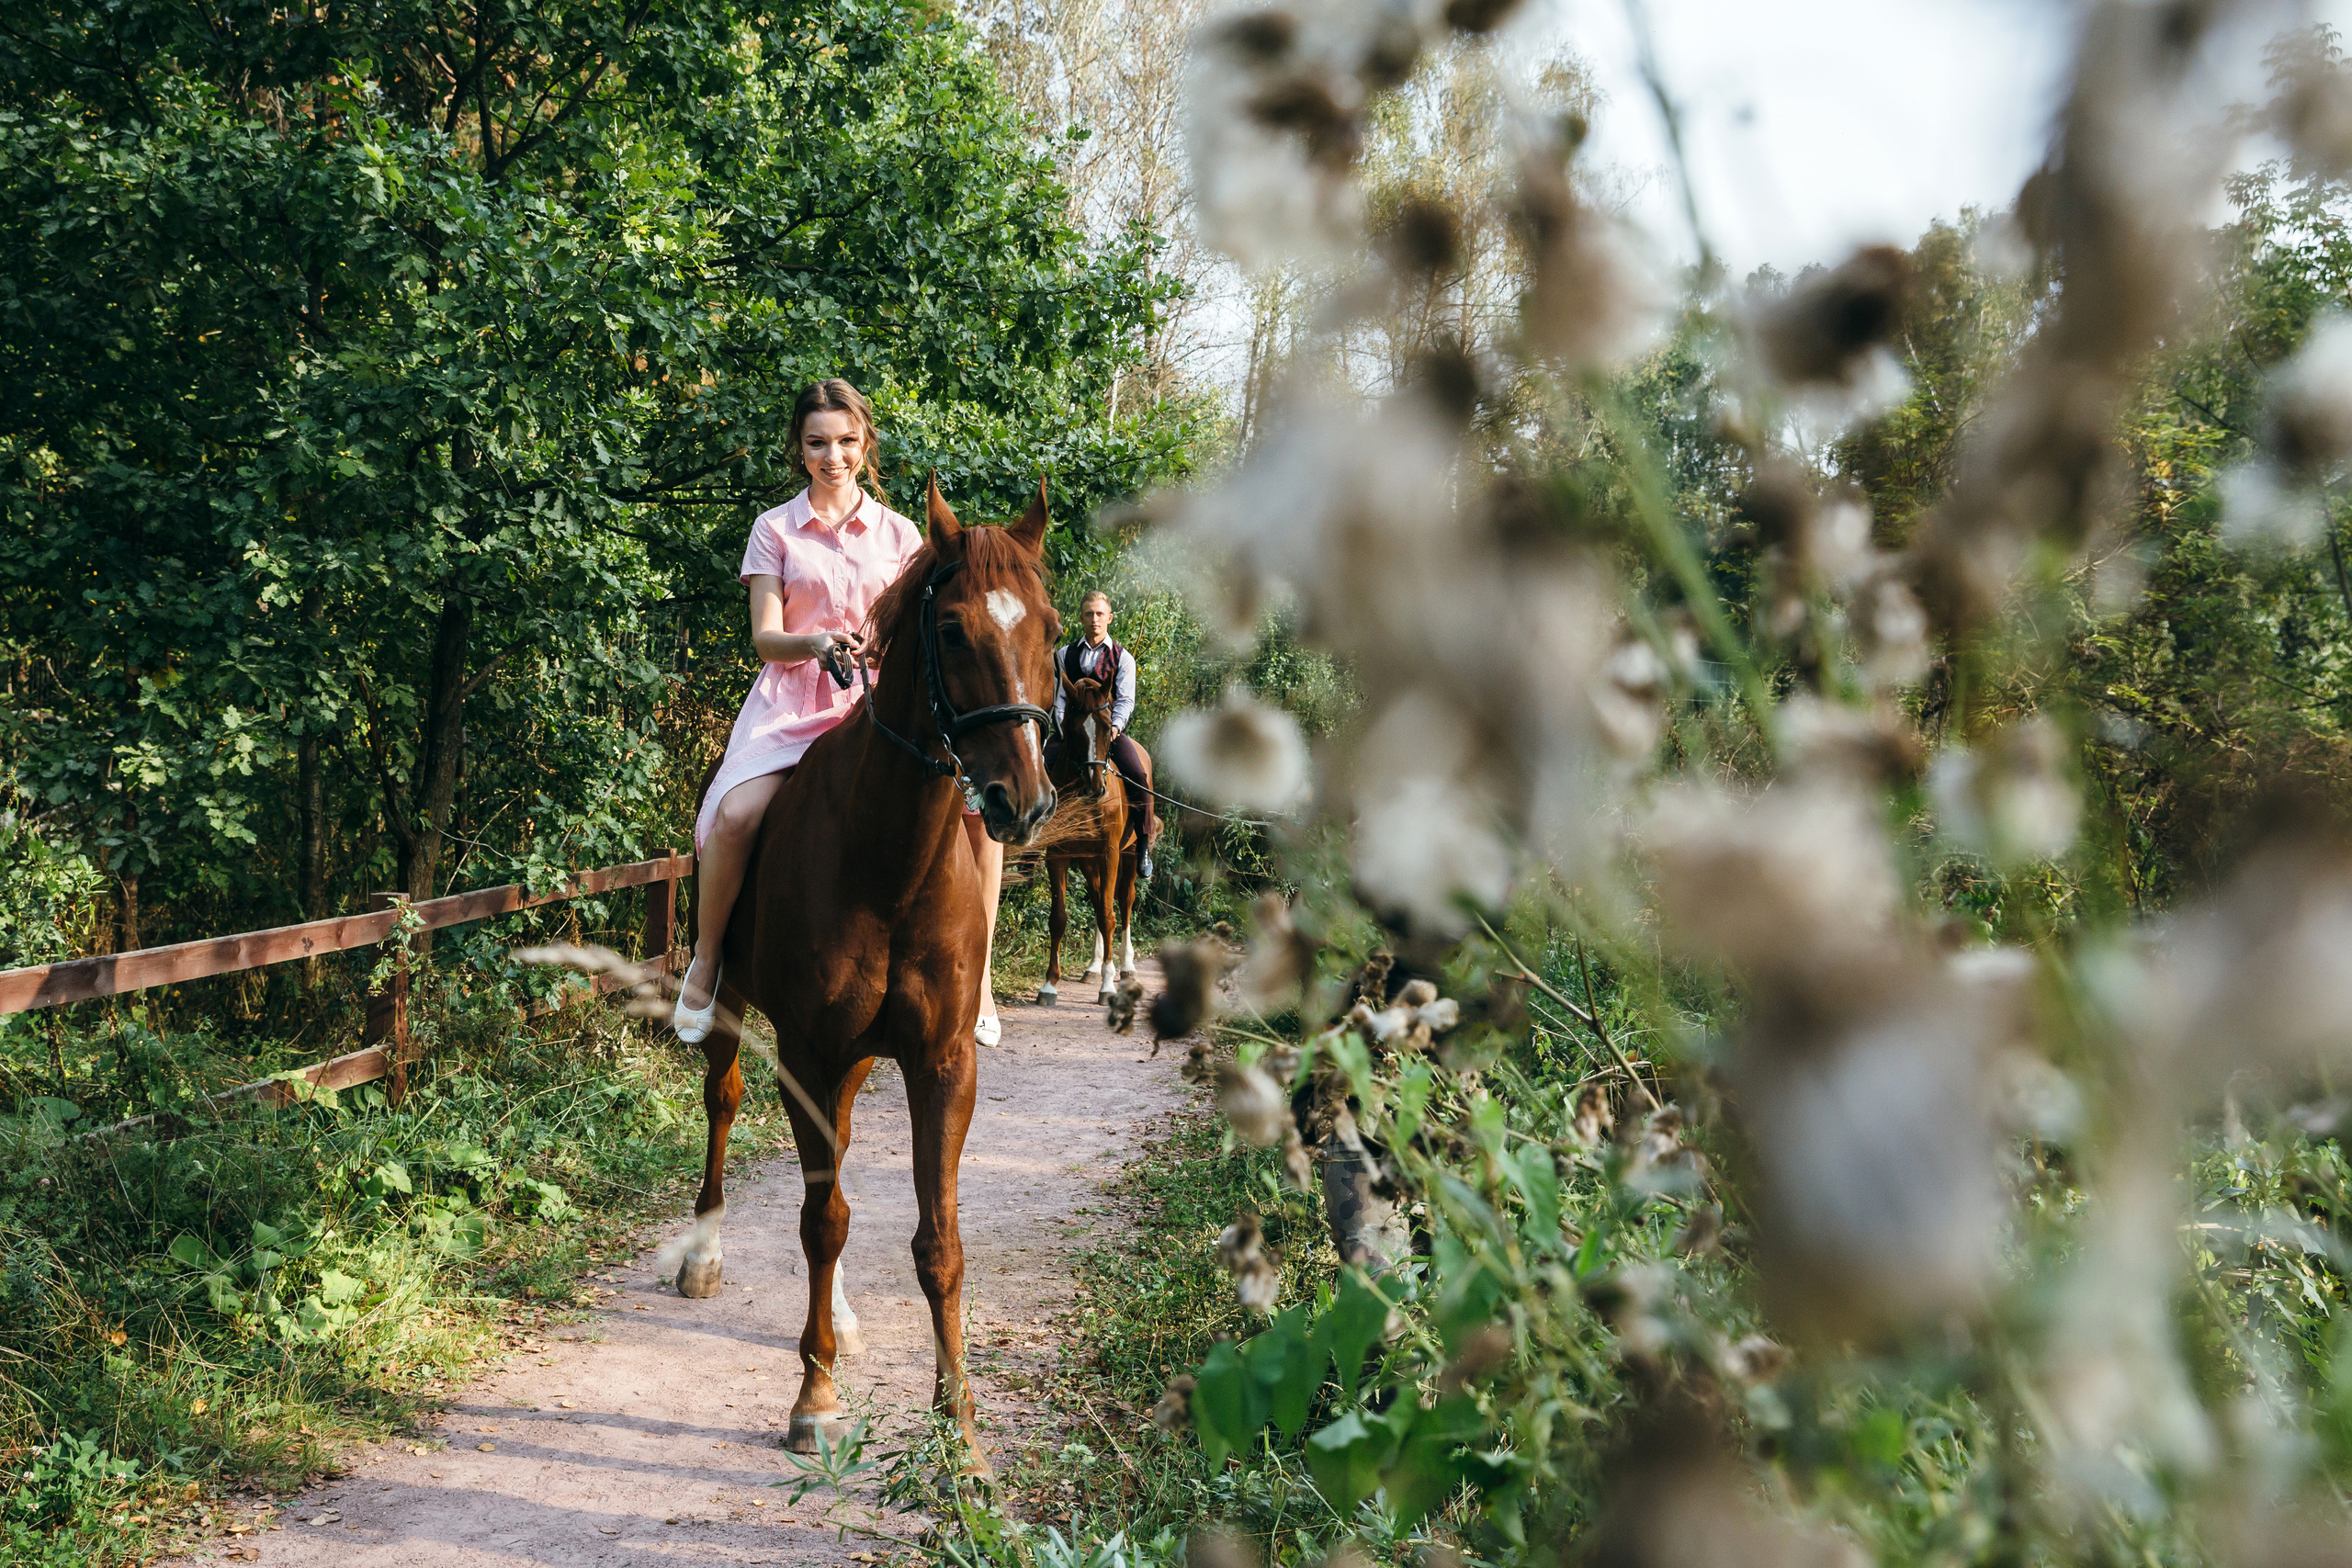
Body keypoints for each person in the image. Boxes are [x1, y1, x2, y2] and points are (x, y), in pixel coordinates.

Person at [674, 378, 1008, 1047]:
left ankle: (986, 973)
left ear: (865, 444)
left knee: (980, 817)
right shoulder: (773, 529)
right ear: (799, 450)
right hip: (794, 701)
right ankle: (707, 958)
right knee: (735, 814)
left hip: (881, 707)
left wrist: (881, 646)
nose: (834, 456)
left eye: (847, 441)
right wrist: (816, 641)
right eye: (818, 443)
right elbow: (765, 636)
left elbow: (921, 625)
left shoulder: (902, 533)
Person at [1046, 591, 1160, 880]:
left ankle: (1144, 844)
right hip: (1071, 731)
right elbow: (1058, 698)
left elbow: (1126, 701)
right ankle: (1034, 843)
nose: (1094, 619)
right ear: (1082, 617)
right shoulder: (1064, 655)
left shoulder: (1123, 658)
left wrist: (1114, 728)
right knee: (1040, 767)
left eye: (1099, 614)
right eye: (1088, 613)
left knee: (1138, 776)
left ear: (1109, 618)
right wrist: (1064, 727)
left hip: (1106, 731)